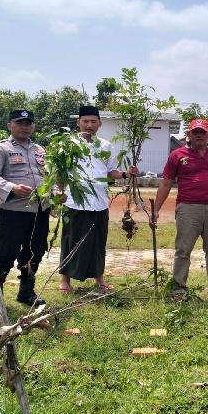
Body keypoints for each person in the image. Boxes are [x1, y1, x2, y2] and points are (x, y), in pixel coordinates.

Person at [150, 118, 208, 301]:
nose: (199, 135)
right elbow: (166, 183)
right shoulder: (177, 155)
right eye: (195, 132)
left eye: (202, 132)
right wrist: (156, 209)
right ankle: (178, 288)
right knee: (183, 249)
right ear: (188, 134)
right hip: (188, 208)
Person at [58, 105, 137, 293]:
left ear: (100, 124)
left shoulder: (105, 146)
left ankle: (99, 278)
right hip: (74, 202)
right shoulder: (68, 144)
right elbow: (60, 173)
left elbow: (110, 172)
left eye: (93, 121)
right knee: (70, 240)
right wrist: (58, 192)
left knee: (98, 242)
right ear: (78, 123)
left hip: (99, 203)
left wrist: (125, 174)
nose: (89, 125)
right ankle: (65, 280)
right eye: (85, 121)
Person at [0, 109, 49, 318]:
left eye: (28, 123)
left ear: (33, 126)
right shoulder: (0, 148)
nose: (24, 127)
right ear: (9, 125)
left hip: (40, 211)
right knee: (5, 254)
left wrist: (56, 191)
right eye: (20, 123)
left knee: (35, 252)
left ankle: (26, 292)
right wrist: (12, 187)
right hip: (14, 212)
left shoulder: (40, 150)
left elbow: (49, 177)